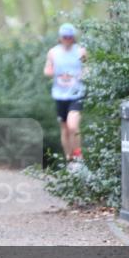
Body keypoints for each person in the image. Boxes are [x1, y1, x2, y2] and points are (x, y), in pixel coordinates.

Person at [44, 23, 86, 161]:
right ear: (60, 37)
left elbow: (87, 69)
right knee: (65, 129)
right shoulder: (53, 52)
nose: (67, 39)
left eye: (70, 37)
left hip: (76, 93)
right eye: (64, 37)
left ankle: (78, 156)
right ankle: (69, 159)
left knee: (72, 125)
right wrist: (59, 74)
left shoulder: (80, 51)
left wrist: (80, 75)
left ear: (73, 38)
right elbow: (47, 70)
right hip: (60, 94)